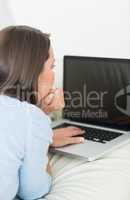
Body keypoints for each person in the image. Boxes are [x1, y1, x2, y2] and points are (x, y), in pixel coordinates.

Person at [0, 25, 85, 200]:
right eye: (51, 66)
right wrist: (42, 126)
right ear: (34, 70)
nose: (53, 75)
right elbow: (33, 191)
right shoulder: (30, 117)